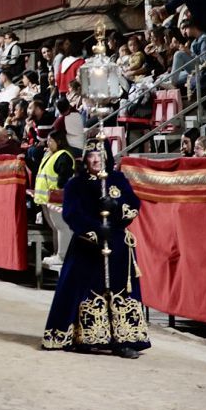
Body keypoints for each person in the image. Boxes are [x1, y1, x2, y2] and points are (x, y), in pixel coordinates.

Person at [42, 139, 150, 358]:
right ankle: (85, 336)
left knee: (120, 290)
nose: (95, 159)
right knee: (85, 289)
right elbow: (71, 214)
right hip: (88, 245)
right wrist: (95, 230)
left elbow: (134, 206)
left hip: (117, 244)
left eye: (99, 155)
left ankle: (124, 340)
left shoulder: (118, 179)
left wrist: (116, 209)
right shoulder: (75, 184)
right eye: (91, 155)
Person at [33, 130, 75, 268]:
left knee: (62, 227)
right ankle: (57, 253)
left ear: (60, 141)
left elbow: (64, 176)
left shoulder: (63, 156)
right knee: (56, 227)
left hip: (57, 198)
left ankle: (62, 256)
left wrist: (59, 188)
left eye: (51, 140)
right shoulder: (51, 155)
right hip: (47, 198)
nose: (48, 143)